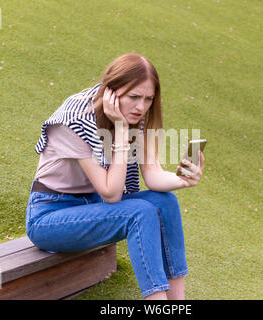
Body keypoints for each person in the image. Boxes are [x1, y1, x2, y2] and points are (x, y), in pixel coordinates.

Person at [25, 52, 205, 300]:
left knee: (165, 201)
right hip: (50, 217)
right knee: (140, 212)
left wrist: (183, 180)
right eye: (134, 97)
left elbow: (152, 175)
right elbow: (111, 193)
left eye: (148, 99)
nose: (141, 107)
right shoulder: (74, 119)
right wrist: (121, 130)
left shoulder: (135, 116)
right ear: (111, 91)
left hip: (92, 207)